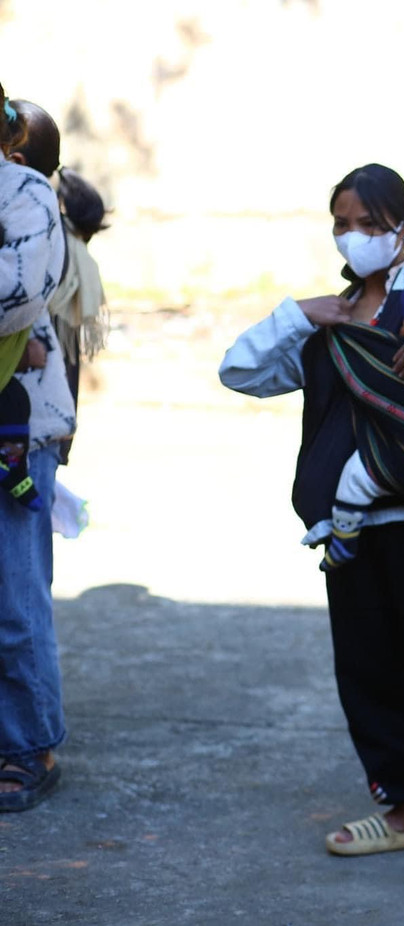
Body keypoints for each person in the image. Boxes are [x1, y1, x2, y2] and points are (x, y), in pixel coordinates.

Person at [218, 163, 404, 890]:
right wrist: (300, 313)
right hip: (347, 531)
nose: (353, 235)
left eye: (369, 222)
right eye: (342, 222)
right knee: (366, 667)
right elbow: (238, 372)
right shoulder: (327, 319)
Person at [0, 81, 71, 813]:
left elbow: (19, 292)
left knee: (14, 602)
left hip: (18, 428)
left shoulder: (22, 189)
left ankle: (29, 747)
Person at [9, 99, 111, 464]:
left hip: (28, 424)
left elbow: (27, 339)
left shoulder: (35, 229)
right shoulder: (48, 223)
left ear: (16, 163)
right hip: (43, 418)